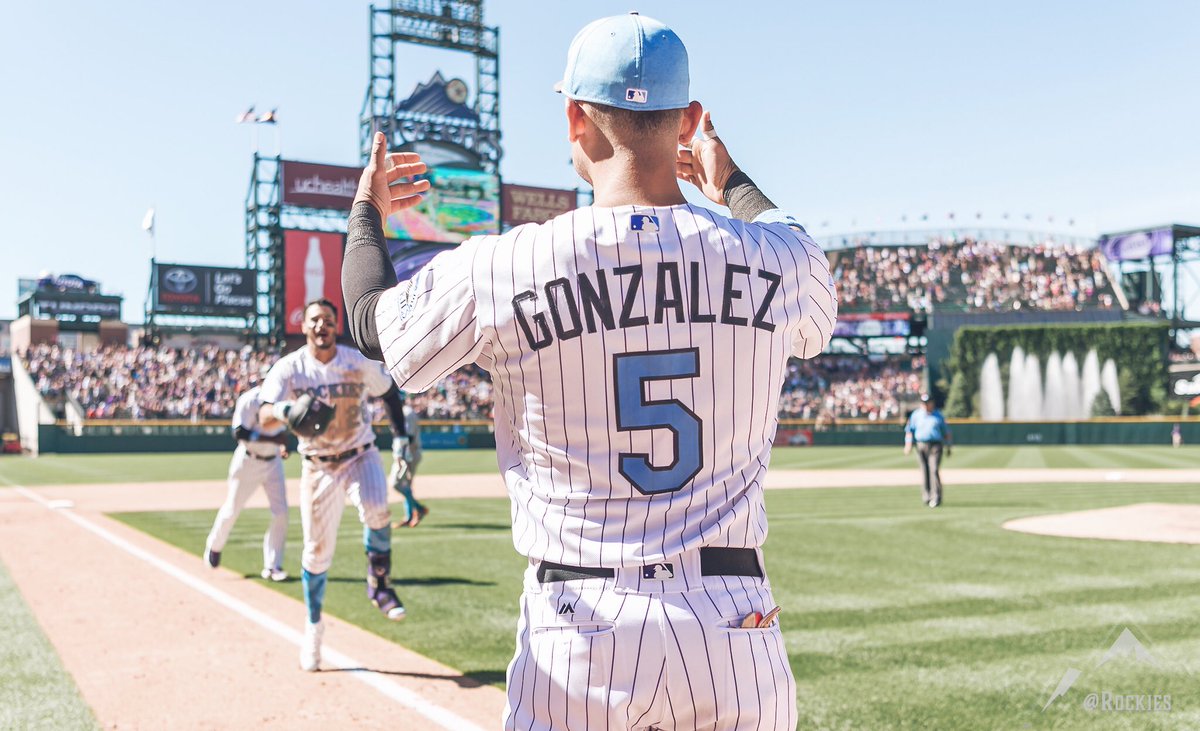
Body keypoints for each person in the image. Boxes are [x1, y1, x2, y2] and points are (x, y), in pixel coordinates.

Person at [341, 12, 836, 729]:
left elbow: (369, 321)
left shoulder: (507, 264)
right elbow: (799, 245)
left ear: (576, 118)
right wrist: (730, 182)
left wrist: (367, 210)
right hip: (735, 623)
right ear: (690, 119)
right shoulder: (775, 260)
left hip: (581, 630)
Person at [257, 298, 412, 672]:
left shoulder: (355, 360)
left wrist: (402, 438)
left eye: (328, 320)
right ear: (304, 326)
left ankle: (379, 585)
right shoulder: (290, 368)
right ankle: (313, 626)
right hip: (318, 465)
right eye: (314, 320)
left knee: (378, 509)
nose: (321, 326)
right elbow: (262, 415)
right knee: (316, 553)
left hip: (361, 454)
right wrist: (282, 411)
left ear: (335, 325)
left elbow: (389, 392)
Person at [204, 375, 291, 581]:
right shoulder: (249, 399)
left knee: (281, 513)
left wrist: (282, 445)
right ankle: (214, 546)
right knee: (232, 509)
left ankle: (272, 566)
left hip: (273, 463)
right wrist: (273, 439)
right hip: (248, 461)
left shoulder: (284, 401)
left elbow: (283, 432)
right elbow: (239, 433)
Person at [904, 394, 952, 507]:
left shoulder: (938, 415)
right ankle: (927, 496)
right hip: (921, 444)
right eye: (923, 403)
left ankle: (936, 497)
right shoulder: (916, 415)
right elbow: (909, 430)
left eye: (928, 402)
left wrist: (949, 446)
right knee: (924, 471)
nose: (925, 405)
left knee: (934, 469)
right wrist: (908, 444)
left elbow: (947, 432)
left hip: (935, 445)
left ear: (932, 403)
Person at [389, 403, 427, 528]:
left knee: (396, 483)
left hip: (409, 454)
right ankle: (410, 516)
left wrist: (404, 458)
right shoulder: (401, 411)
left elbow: (408, 437)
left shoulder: (407, 412)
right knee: (405, 486)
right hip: (406, 454)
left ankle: (418, 508)